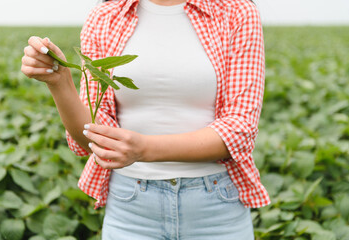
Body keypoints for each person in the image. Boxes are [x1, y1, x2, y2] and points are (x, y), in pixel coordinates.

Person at [21, 0, 270, 238]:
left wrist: (144, 149)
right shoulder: (105, 16)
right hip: (130, 207)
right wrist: (60, 82)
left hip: (215, 207)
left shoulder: (237, 12)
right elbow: (94, 137)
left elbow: (240, 128)